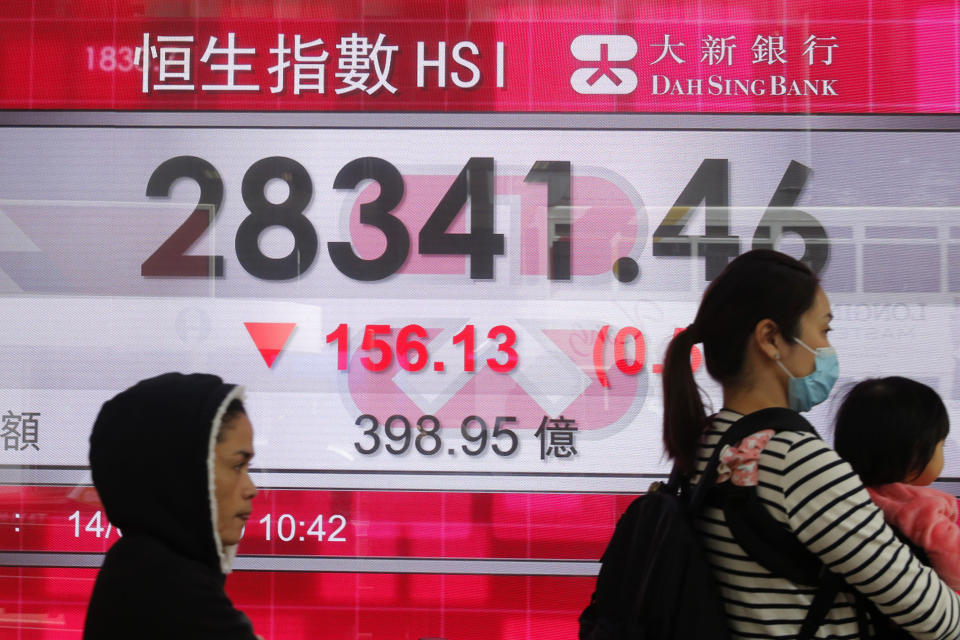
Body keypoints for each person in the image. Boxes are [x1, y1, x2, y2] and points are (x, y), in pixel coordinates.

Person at [662, 249, 960, 638]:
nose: (826, 349)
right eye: (823, 330)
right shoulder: (796, 461)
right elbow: (938, 620)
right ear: (771, 339)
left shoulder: (709, 440)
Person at [83, 372, 262, 640]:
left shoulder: (139, 566)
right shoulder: (167, 588)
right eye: (237, 465)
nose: (251, 489)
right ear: (183, 473)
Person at [834, 376, 960, 589]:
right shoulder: (922, 508)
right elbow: (955, 565)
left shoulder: (846, 496)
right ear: (916, 455)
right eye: (941, 445)